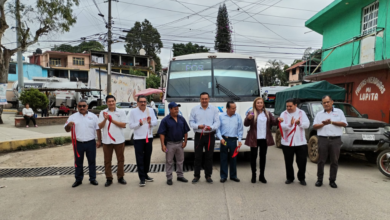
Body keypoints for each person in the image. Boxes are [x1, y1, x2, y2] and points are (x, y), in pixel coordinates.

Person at [64, 100, 101, 188]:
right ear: (77, 107)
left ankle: (92, 179)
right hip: (78, 143)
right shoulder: (72, 117)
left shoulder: (93, 116)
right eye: (80, 106)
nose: (82, 108)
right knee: (78, 162)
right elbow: (67, 130)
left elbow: (98, 129)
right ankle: (78, 179)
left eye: (84, 106)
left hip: (91, 142)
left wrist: (99, 140)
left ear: (87, 106)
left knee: (92, 161)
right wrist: (69, 125)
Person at [313, 95, 347, 189]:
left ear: (332, 102)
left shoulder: (339, 112)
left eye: (328, 102)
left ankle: (332, 181)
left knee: (334, 161)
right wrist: (323, 124)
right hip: (323, 139)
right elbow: (314, 126)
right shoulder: (319, 114)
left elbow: (344, 123)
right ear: (322, 104)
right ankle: (319, 180)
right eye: (324, 102)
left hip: (335, 140)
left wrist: (332, 122)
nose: (326, 104)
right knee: (321, 160)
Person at [244, 97, 279, 184]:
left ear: (263, 104)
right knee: (253, 157)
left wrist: (278, 120)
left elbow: (274, 122)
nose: (259, 104)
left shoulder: (267, 113)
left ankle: (262, 176)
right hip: (254, 138)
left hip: (264, 138)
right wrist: (248, 118)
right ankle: (253, 175)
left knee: (263, 157)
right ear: (255, 104)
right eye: (258, 103)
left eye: (261, 103)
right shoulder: (251, 113)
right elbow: (246, 124)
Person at [189, 92, 220, 184]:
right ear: (200, 99)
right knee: (197, 156)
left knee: (209, 156)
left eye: (206, 99)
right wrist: (198, 126)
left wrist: (212, 127)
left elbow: (217, 122)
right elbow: (191, 122)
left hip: (210, 135)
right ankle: (196, 175)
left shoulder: (214, 109)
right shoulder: (194, 109)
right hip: (199, 135)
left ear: (209, 99)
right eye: (202, 99)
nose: (204, 100)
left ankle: (208, 175)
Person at [158, 102, 190, 185]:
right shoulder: (165, 120)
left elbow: (185, 131)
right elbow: (162, 134)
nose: (177, 110)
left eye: (177, 108)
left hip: (180, 143)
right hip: (170, 144)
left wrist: (185, 141)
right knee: (169, 161)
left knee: (180, 161)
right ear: (170, 109)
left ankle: (180, 176)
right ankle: (169, 178)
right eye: (175, 109)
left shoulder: (181, 119)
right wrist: (163, 145)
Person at [278, 99, 310, 185]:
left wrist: (299, 123)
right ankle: (290, 178)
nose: (288, 108)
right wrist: (290, 125)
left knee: (302, 162)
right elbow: (281, 126)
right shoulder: (283, 114)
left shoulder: (301, 113)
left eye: (290, 106)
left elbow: (307, 124)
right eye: (287, 106)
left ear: (295, 105)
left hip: (301, 142)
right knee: (288, 161)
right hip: (287, 142)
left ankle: (302, 178)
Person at [129, 95, 158, 187]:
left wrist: (150, 122)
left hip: (148, 137)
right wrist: (139, 123)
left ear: (146, 102)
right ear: (137, 103)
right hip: (138, 139)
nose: (143, 103)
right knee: (140, 158)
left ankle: (145, 174)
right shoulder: (133, 112)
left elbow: (155, 122)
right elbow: (131, 126)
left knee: (147, 157)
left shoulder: (150, 110)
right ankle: (141, 178)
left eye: (144, 102)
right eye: (141, 102)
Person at [98, 95, 127, 187]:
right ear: (106, 103)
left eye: (112, 101)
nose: (111, 103)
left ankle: (120, 177)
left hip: (119, 140)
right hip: (107, 140)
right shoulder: (102, 112)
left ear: (115, 101)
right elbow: (100, 126)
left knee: (120, 160)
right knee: (107, 161)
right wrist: (105, 119)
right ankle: (109, 178)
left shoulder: (121, 112)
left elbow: (123, 125)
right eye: (109, 101)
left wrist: (111, 120)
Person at [216, 101, 243, 183]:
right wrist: (221, 138)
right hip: (224, 139)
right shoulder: (221, 117)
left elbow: (240, 129)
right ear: (227, 108)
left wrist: (240, 140)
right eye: (232, 108)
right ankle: (223, 176)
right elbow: (218, 129)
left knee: (233, 158)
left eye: (235, 108)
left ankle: (233, 176)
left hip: (233, 140)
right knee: (223, 158)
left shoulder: (238, 116)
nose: (234, 110)